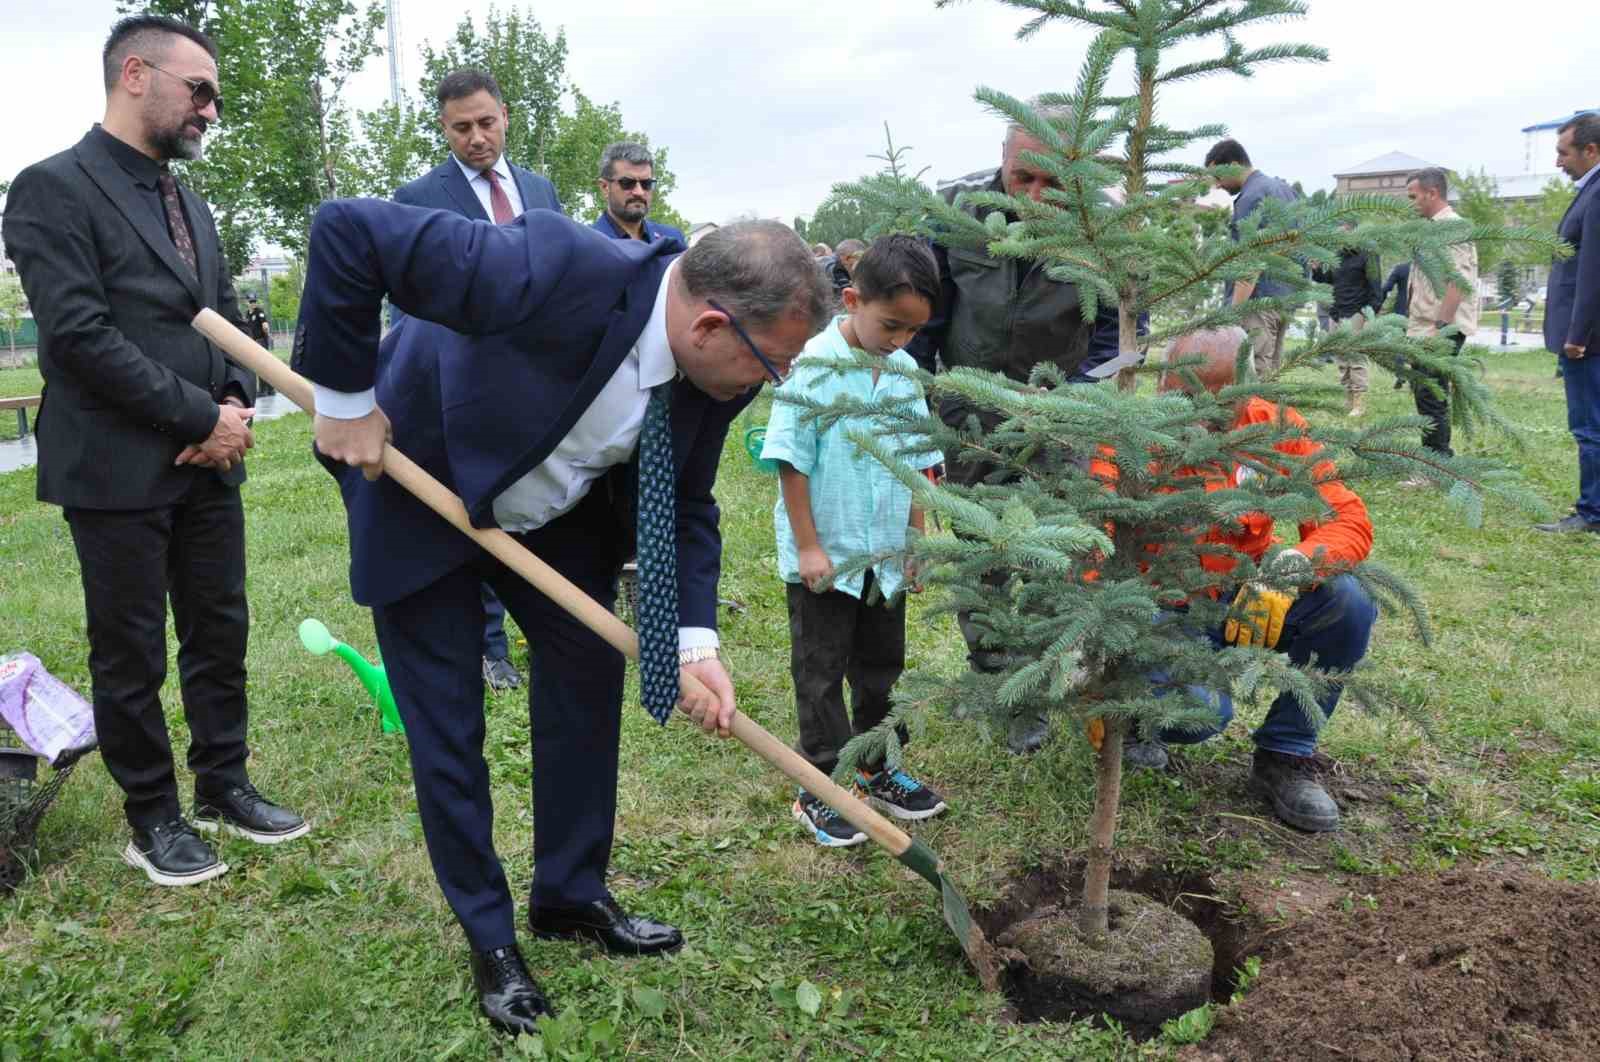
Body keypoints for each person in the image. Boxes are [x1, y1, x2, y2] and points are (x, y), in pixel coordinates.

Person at [295, 201, 829, 1035]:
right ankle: (491, 938)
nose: (772, 383)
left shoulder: (715, 372)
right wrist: (344, 398)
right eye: (774, 365)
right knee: (449, 728)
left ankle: (570, 892)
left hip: (553, 516)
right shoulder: (553, 268)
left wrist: (695, 640)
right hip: (420, 478)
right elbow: (350, 234)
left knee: (586, 668)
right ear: (713, 324)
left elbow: (686, 501)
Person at [1, 15, 307, 887]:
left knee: (219, 626)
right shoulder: (51, 188)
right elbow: (80, 338)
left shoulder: (186, 197)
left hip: (208, 460)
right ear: (134, 74)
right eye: (198, 89)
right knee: (128, 649)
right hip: (116, 465)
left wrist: (236, 405)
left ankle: (224, 785)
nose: (211, 108)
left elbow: (219, 319)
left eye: (215, 95)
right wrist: (193, 417)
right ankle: (154, 818)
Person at [1093, 329, 1377, 832]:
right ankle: (1130, 711)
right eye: (1186, 398)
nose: (1200, 421)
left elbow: (1347, 519)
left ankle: (1285, 754)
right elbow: (1094, 543)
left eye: (1217, 405)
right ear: (1163, 385)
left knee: (1348, 603)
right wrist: (1094, 653)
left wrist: (1292, 566)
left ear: (1246, 392)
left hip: (1246, 596)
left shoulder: (1275, 428)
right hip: (1157, 610)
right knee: (1199, 715)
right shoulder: (1126, 437)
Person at [904, 103, 1120, 754]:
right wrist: (925, 400)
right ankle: (1002, 685)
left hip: (1060, 424)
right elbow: (925, 323)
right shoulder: (958, 214)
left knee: (1054, 557)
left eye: (1052, 181)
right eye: (1021, 176)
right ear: (1003, 159)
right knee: (983, 557)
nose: (1033, 195)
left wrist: (1070, 399)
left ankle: (1049, 669)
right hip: (969, 421)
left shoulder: (1102, 227)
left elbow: (1115, 335)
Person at [760, 235, 948, 847]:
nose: (899, 340)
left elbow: (918, 459)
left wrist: (915, 539)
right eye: (891, 325)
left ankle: (877, 764)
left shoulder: (903, 373)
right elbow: (791, 460)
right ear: (851, 300)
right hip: (828, 556)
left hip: (885, 558)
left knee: (880, 667)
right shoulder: (814, 366)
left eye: (912, 331)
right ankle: (821, 785)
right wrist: (810, 547)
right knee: (820, 671)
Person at [396, 67, 565, 691]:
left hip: (540, 384)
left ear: (505, 117)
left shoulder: (541, 191)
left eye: (486, 123)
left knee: (536, 506)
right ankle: (490, 647)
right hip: (460, 386)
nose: (476, 138)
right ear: (444, 128)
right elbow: (406, 302)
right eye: (461, 127)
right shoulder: (417, 198)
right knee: (474, 511)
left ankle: (546, 621)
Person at [1535, 112, 1600, 534]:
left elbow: (1593, 272)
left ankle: (1592, 513)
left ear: (1591, 150)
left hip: (1589, 342)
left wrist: (1577, 336)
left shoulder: (1596, 195)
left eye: (1564, 152)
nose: (1559, 161)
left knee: (1590, 426)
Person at [1401, 168, 1478, 485]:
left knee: (1432, 397)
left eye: (1413, 197)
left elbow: (1457, 282)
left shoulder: (1450, 229)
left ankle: (1435, 469)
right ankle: (1438, 461)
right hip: (1423, 326)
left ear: (1432, 193)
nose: (1410, 204)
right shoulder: (1433, 229)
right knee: (1427, 395)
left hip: (1436, 329)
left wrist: (1440, 329)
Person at [1205, 138, 1301, 378]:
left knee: (1253, 375)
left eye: (1218, 177)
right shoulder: (1285, 190)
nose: (1217, 186)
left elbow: (1251, 262)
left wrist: (1233, 313)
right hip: (1285, 298)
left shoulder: (1251, 197)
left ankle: (1257, 417)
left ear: (1235, 164)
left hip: (1258, 301)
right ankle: (1269, 415)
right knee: (1270, 371)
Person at [1312, 237, 1382, 415]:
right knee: (1341, 358)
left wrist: (1370, 315)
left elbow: (1375, 287)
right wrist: (1316, 269)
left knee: (1356, 358)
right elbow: (1327, 279)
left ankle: (1359, 402)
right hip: (1336, 311)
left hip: (1357, 312)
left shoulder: (1368, 255)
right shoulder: (1336, 254)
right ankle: (1348, 397)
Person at [591, 141, 685, 246]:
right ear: (605, 187)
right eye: (627, 183)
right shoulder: (586, 244)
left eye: (646, 183)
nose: (639, 192)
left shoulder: (673, 239)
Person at [1380, 261, 1413, 389]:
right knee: (1419, 345)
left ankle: (1401, 375)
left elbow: (1386, 288)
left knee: (1399, 345)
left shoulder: (1401, 268)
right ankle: (1416, 379)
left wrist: (1378, 304)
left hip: (1401, 311)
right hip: (1422, 312)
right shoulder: (1428, 268)